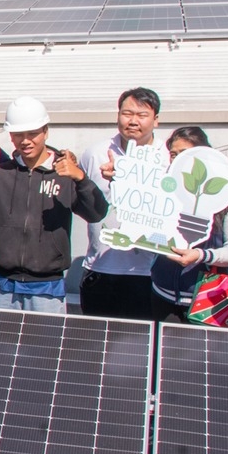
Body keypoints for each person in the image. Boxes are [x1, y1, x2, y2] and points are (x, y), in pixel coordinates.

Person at [0, 96, 107, 313]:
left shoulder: (64, 173)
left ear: (45, 132)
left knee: (45, 337)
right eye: (18, 134)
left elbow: (96, 213)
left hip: (48, 287)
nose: (26, 141)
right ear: (11, 136)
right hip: (3, 285)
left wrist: (81, 178)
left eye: (32, 133)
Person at [151, 126, 228, 319]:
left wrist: (201, 255)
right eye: (173, 154)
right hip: (162, 295)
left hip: (208, 302)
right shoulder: (164, 190)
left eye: (185, 153)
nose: (178, 160)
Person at [80, 87, 166, 319]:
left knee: (140, 340)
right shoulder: (95, 153)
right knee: (95, 337)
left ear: (156, 120)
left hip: (147, 273)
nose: (133, 121)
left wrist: (126, 179)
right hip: (99, 268)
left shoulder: (166, 156)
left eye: (142, 115)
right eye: (127, 113)